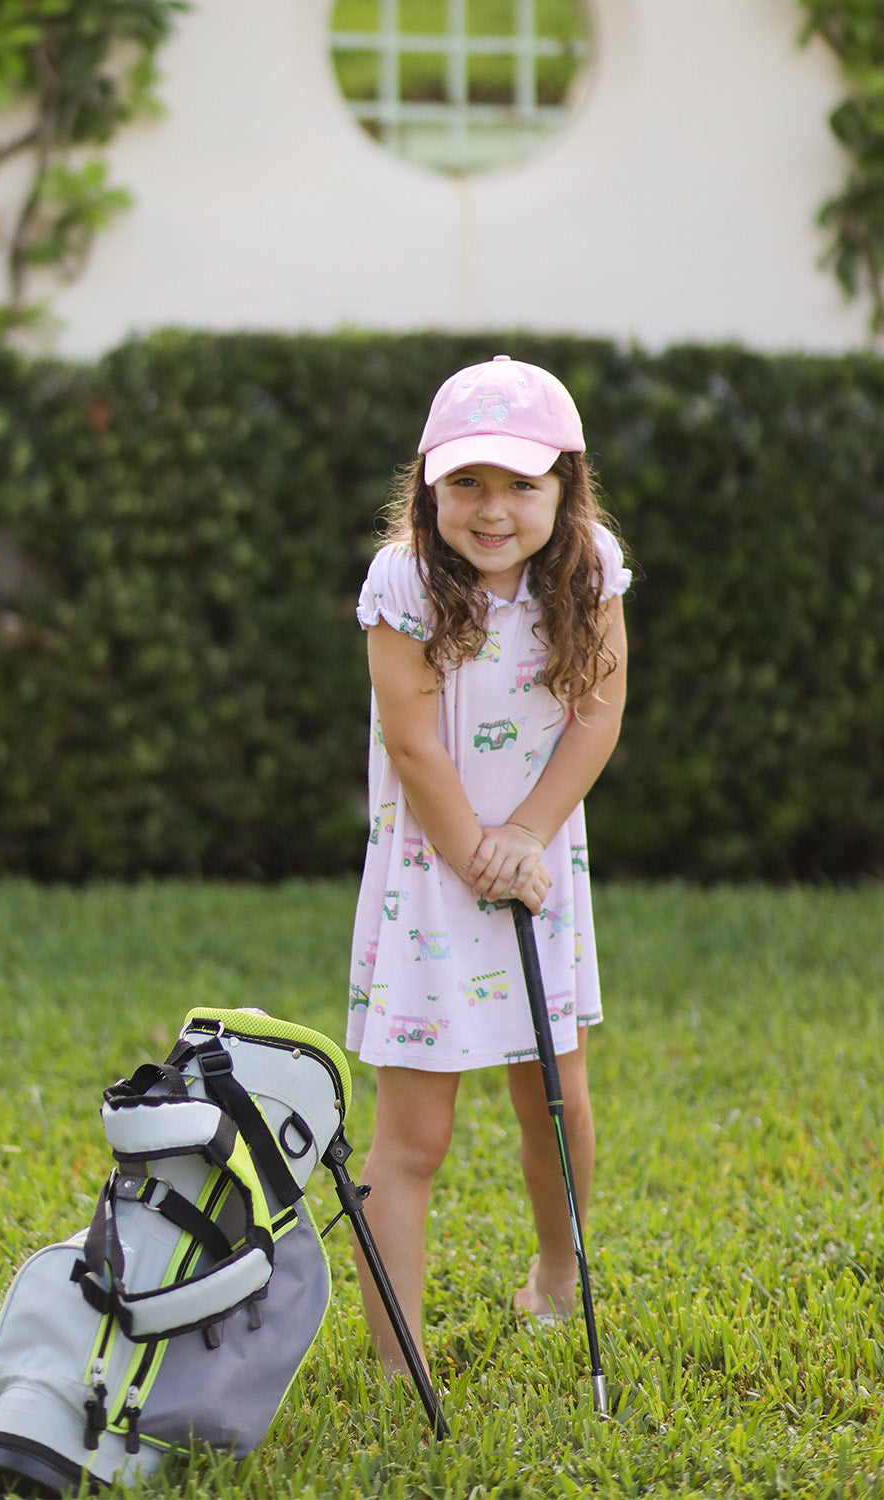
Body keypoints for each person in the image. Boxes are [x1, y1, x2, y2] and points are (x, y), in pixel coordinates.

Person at [346, 354, 630, 1373]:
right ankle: (396, 1357)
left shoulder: (591, 568)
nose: (493, 508)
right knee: (410, 1138)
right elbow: (414, 742)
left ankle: (558, 1273)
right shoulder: (406, 583)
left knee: (552, 1097)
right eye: (468, 482)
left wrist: (524, 838)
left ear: (566, 484)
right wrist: (473, 852)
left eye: (521, 483)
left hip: (538, 866)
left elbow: (596, 717)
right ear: (429, 483)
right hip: (433, 874)